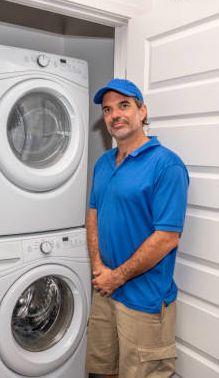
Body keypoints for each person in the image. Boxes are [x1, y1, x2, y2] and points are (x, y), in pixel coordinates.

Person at [85, 78, 189, 378]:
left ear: (142, 111)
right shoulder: (103, 163)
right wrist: (98, 269)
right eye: (107, 110)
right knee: (103, 372)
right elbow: (93, 213)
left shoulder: (167, 165)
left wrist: (115, 277)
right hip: (105, 292)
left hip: (144, 301)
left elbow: (166, 238)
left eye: (124, 106)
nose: (114, 115)